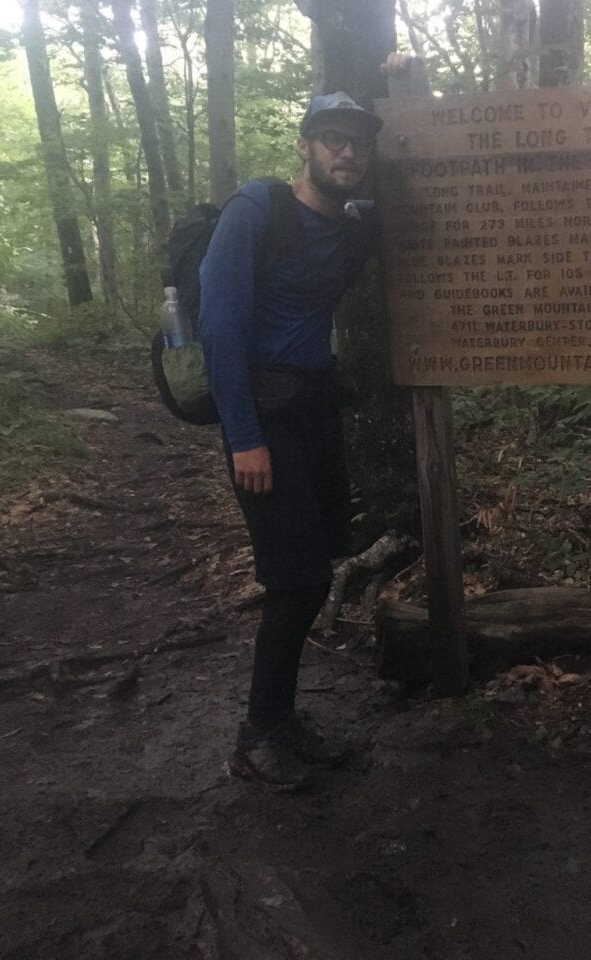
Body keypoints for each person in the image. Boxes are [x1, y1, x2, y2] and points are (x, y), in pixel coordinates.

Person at [198, 89, 384, 790]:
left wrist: (403, 78)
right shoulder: (258, 210)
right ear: (305, 146)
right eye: (332, 137)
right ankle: (259, 734)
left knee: (319, 564)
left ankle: (279, 719)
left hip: (313, 410)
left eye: (357, 140)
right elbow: (219, 324)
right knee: (296, 578)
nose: (347, 150)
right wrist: (243, 435)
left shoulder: (354, 225)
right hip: (263, 415)